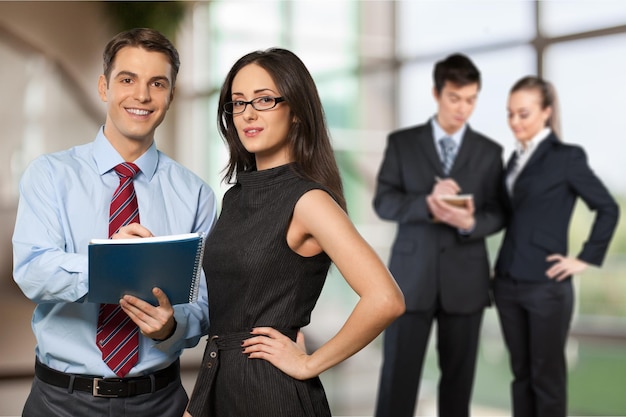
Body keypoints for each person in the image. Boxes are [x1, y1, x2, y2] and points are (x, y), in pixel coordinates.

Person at [183, 47, 405, 417]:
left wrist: (310, 362)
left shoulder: (309, 200)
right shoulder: (235, 197)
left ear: (297, 111)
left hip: (272, 394)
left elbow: (386, 299)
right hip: (220, 385)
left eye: (265, 99)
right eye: (238, 103)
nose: (248, 113)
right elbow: (228, 317)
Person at [12, 28, 217, 417]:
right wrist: (110, 263)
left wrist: (170, 328)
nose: (142, 95)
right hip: (59, 402)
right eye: (128, 79)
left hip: (159, 402)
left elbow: (204, 304)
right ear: (104, 87)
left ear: (170, 96)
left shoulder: (196, 195)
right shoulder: (50, 175)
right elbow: (32, 272)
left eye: (157, 83)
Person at [373, 53, 506, 417]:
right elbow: (384, 203)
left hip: (466, 282)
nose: (463, 108)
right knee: (396, 381)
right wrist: (428, 206)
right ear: (436, 93)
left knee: (458, 387)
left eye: (471, 99)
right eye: (455, 98)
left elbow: (499, 212)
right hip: (409, 282)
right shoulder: (403, 144)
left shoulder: (490, 152)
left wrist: (470, 224)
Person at [493, 75, 619, 417]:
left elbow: (607, 208)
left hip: (546, 285)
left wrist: (584, 259)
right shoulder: (514, 161)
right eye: (510, 114)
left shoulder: (567, 157)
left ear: (547, 112)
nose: (514, 122)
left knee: (546, 380)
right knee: (520, 377)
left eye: (524, 113)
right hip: (506, 283)